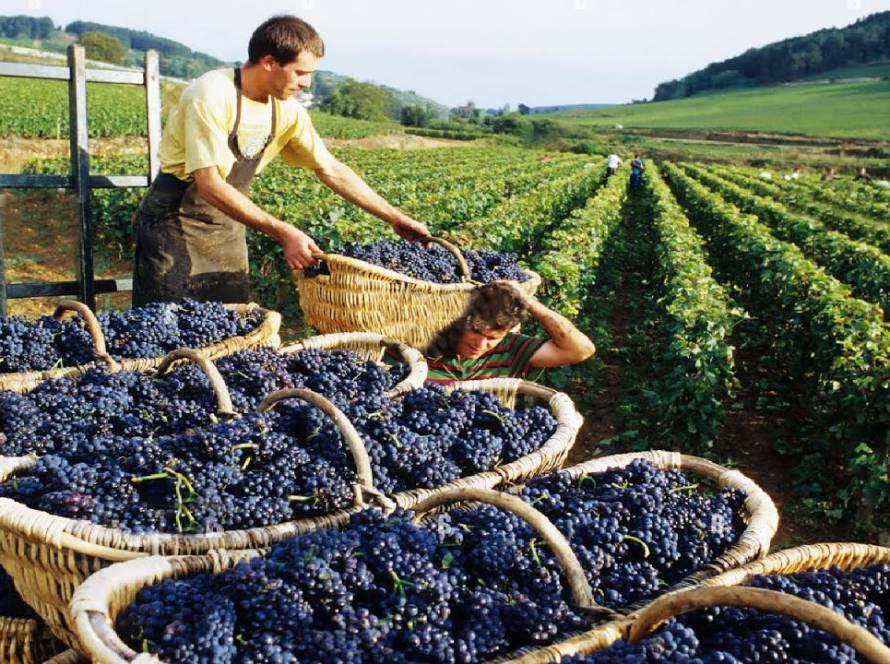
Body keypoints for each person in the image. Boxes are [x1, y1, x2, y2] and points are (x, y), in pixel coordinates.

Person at [131, 15, 430, 306]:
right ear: (269, 61)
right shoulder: (211, 94)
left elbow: (331, 169)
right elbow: (208, 184)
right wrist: (284, 231)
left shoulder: (286, 110)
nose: (307, 84)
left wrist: (395, 218)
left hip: (226, 226)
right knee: (170, 325)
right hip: (173, 221)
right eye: (300, 73)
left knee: (229, 324)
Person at [423, 281, 595, 383]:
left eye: (492, 338)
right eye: (475, 331)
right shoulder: (425, 348)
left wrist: (528, 302)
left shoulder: (511, 349)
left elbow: (581, 350)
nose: (480, 344)